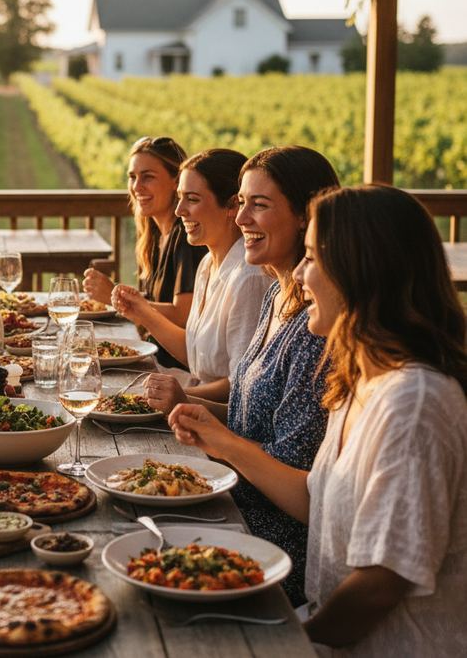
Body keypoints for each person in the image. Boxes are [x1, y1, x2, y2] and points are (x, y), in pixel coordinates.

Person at [169, 185, 467, 655]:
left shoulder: (415, 402)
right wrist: (218, 439)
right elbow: (316, 499)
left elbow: (382, 581)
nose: (301, 274)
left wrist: (292, 640)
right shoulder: (361, 380)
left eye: (312, 257)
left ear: (360, 271)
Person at [147, 145, 340, 605]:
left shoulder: (316, 328)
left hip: (270, 546)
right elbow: (250, 411)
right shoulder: (276, 293)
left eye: (260, 204)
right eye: (241, 202)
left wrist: (218, 439)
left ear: (305, 217)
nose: (241, 218)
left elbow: (299, 482)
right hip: (227, 501)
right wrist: (193, 411)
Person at [115, 149, 271, 401]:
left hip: (217, 419)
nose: (179, 210)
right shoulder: (208, 263)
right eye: (179, 197)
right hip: (195, 402)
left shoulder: (249, 278)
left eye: (192, 199)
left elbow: (241, 386)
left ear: (232, 205)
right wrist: (142, 311)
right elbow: (195, 354)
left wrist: (181, 396)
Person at [83, 135, 207, 366]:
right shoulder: (154, 234)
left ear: (176, 181)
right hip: (153, 355)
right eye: (132, 177)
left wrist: (116, 297)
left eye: (147, 177)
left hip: (173, 367)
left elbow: (184, 315)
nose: (137, 187)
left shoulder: (186, 236)